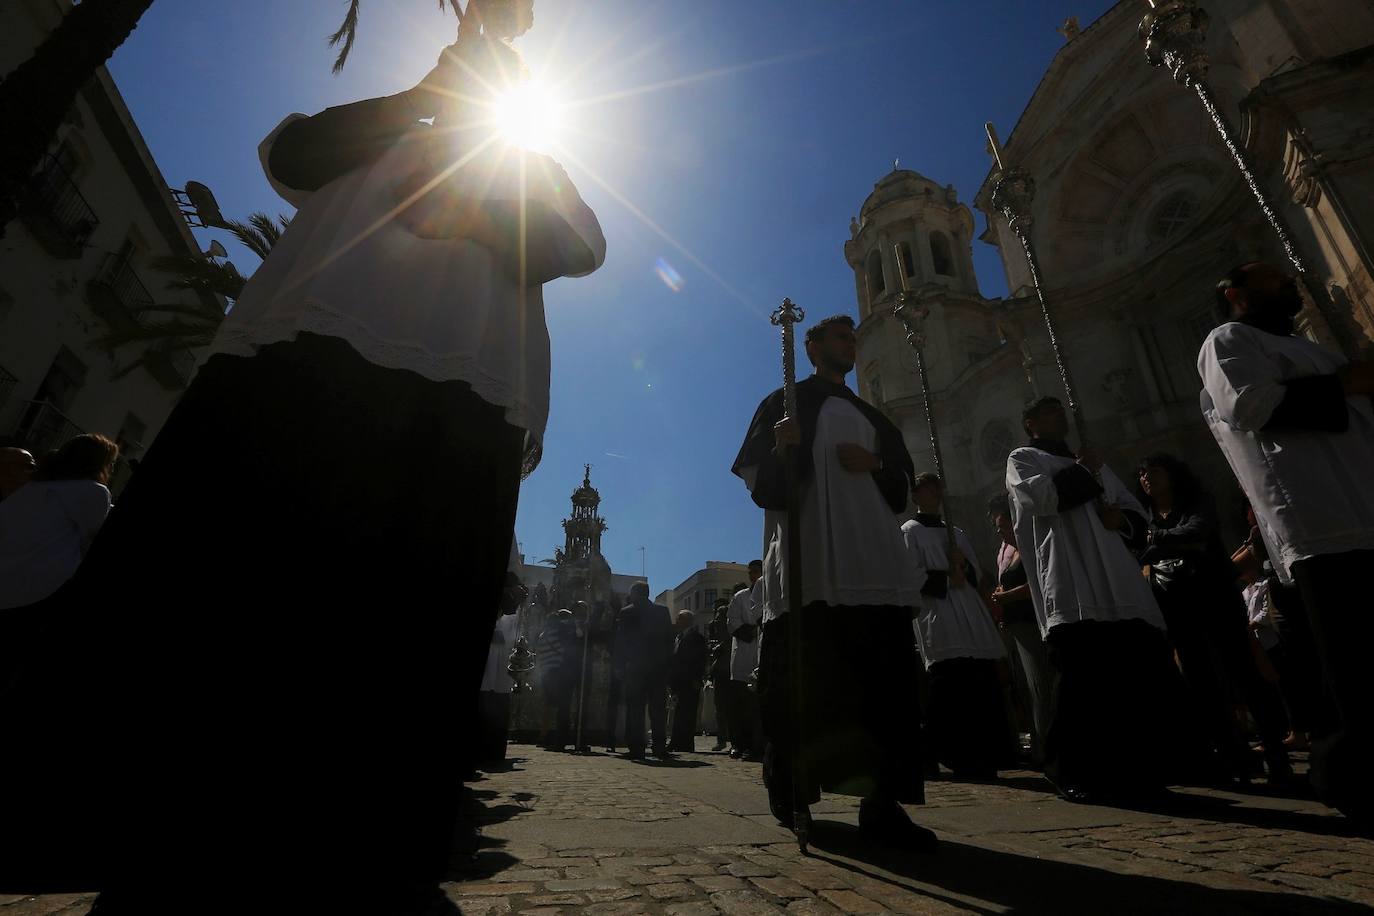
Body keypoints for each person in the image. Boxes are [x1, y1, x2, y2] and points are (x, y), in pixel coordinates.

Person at [0, 2, 605, 911]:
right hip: (303, 358)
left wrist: (472, 208)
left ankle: (358, 841)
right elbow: (292, 153)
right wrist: (423, 97)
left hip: (457, 393)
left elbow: (579, 243)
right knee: (240, 589)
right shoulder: (382, 127)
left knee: (400, 618)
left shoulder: (533, 169)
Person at [732, 314, 934, 850]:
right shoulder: (786, 403)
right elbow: (760, 484)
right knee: (806, 684)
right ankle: (792, 792)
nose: (851, 344)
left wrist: (876, 464)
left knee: (881, 690)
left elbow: (901, 488)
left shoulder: (873, 416)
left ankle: (881, 802)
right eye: (841, 337)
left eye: (853, 338)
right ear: (813, 347)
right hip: (813, 565)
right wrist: (784, 449)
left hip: (872, 564)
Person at [1201, 262, 1374, 822]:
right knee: (1347, 662)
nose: (1290, 282)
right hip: (1318, 518)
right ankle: (1354, 780)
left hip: (1364, 504)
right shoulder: (1229, 340)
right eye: (1273, 279)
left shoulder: (1313, 350)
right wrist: (1345, 384)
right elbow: (1249, 407)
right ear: (1237, 295)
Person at [1008, 396, 1195, 803]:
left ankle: (1139, 768)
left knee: (1131, 678)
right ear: (1030, 423)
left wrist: (1121, 520)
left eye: (1061, 409)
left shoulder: (1092, 461)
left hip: (1118, 581)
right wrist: (1084, 470)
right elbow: (1042, 499)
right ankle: (1074, 771)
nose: (1059, 415)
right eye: (1049, 411)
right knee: (1081, 682)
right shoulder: (1024, 458)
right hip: (1072, 580)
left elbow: (1135, 514)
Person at [1135, 452, 1291, 785]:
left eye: (1154, 471)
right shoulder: (1145, 515)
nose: (1147, 478)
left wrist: (1156, 541)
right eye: (1143, 474)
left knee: (1243, 672)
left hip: (1215, 597)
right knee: (1202, 682)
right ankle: (1235, 758)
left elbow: (1198, 530)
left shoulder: (1196, 502)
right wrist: (1169, 543)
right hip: (1176, 606)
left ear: (1172, 474)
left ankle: (1276, 753)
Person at [903, 474, 1012, 778]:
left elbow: (976, 573)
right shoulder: (909, 532)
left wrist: (963, 565)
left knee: (980, 680)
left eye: (937, 488)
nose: (934, 493)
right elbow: (910, 575)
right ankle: (956, 754)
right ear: (916, 496)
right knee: (951, 684)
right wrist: (946, 576)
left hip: (969, 611)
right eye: (927, 489)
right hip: (940, 613)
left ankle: (988, 754)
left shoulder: (957, 533)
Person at [0, 434, 117, 610]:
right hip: (38, 584)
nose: (112, 469)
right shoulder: (95, 492)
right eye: (111, 462)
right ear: (97, 463)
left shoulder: (35, 486)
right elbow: (89, 540)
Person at [987, 493, 1052, 768]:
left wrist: (1007, 596)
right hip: (1013, 625)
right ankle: (1037, 744)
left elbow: (1035, 584)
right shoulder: (1005, 551)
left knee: (1039, 686)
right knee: (1024, 688)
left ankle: (1047, 748)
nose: (999, 531)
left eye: (1002, 525)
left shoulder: (1029, 546)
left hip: (1029, 622)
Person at [614, 582, 673, 760]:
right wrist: (667, 664)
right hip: (658, 668)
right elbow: (669, 640)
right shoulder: (662, 611)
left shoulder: (627, 612)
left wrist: (620, 664)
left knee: (636, 709)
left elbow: (621, 641)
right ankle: (659, 746)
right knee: (658, 710)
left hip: (636, 667)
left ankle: (637, 748)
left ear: (634, 593)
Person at [476, 572, 527, 767]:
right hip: (493, 664)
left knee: (498, 703)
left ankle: (493, 751)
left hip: (503, 664)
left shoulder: (514, 606)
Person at [726, 563, 764, 758]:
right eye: (750, 573)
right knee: (739, 707)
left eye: (756, 572)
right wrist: (756, 629)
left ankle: (756, 746)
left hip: (762, 658)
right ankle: (738, 744)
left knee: (756, 709)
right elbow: (732, 622)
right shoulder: (740, 597)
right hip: (742, 660)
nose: (752, 576)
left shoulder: (770, 594)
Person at [536, 608, 582, 751]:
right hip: (556, 672)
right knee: (562, 705)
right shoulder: (556, 634)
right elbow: (563, 651)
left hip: (545, 673)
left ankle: (543, 735)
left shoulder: (542, 636)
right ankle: (557, 736)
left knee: (548, 705)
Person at [667, 610, 706, 752]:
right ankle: (676, 741)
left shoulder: (696, 638)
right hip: (679, 680)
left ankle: (686, 743)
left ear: (688, 621)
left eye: (680, 619)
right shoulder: (678, 637)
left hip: (690, 681)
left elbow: (700, 660)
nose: (677, 621)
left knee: (688, 713)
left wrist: (697, 678)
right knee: (678, 713)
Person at [706, 598, 733, 751]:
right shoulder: (716, 635)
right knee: (720, 708)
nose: (716, 622)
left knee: (730, 708)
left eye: (719, 618)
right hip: (720, 672)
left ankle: (733, 741)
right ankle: (721, 740)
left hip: (729, 672)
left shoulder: (731, 638)